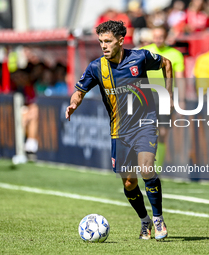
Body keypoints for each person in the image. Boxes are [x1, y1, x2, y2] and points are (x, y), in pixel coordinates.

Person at [65, 20, 173, 240]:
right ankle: (145, 221)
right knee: (129, 182)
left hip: (145, 123)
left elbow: (167, 64)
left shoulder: (140, 57)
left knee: (146, 168)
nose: (103, 46)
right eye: (101, 42)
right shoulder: (97, 67)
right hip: (119, 131)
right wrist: (74, 103)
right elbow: (79, 91)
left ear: (121, 41)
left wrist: (168, 95)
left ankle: (159, 218)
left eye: (108, 41)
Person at [141, 25, 185, 174]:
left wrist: (181, 99)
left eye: (161, 36)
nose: (158, 39)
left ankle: (157, 169)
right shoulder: (145, 51)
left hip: (165, 96)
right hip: (147, 95)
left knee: (164, 132)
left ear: (166, 37)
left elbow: (180, 78)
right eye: (155, 36)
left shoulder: (175, 54)